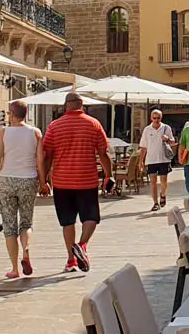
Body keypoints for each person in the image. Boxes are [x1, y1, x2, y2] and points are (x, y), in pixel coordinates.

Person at [42, 92, 113, 273]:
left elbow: (47, 155)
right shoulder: (93, 124)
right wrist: (108, 175)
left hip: (62, 181)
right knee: (91, 218)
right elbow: (103, 153)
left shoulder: (54, 126)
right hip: (86, 180)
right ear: (82, 105)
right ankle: (82, 245)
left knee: (68, 221)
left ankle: (71, 260)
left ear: (66, 105)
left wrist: (43, 180)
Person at [0, 101, 44, 279]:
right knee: (26, 222)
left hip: (7, 179)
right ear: (25, 114)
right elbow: (40, 161)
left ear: (11, 115)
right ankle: (26, 249)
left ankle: (14, 268)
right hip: (28, 180)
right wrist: (44, 181)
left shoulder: (4, 132)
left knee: (9, 225)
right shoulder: (35, 133)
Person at [139, 108, 176, 212]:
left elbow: (173, 142)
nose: (156, 120)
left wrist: (167, 139)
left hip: (163, 159)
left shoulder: (166, 128)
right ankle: (155, 203)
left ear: (161, 118)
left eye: (158, 118)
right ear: (151, 118)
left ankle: (163, 195)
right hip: (151, 159)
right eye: (154, 118)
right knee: (153, 182)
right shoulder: (147, 129)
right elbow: (143, 147)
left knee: (163, 181)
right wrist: (140, 161)